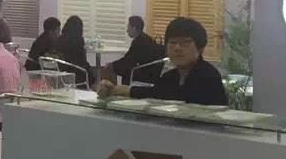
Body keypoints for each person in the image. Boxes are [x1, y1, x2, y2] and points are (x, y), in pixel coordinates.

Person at [97, 17, 227, 106]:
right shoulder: (170, 76)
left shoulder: (208, 75)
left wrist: (124, 90)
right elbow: (156, 93)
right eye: (172, 42)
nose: (177, 48)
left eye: (185, 43)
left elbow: (174, 96)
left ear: (200, 47)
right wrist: (114, 89)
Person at [103, 16, 166, 86]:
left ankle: (117, 90)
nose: (127, 30)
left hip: (145, 74)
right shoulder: (146, 38)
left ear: (134, 28)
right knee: (121, 68)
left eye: (128, 27)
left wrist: (112, 65)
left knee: (120, 70)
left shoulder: (139, 42)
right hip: (151, 72)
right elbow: (130, 58)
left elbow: (128, 60)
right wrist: (114, 65)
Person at [50, 15, 94, 87]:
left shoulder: (59, 39)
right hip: (75, 73)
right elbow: (81, 60)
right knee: (92, 72)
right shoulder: (79, 40)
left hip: (61, 73)